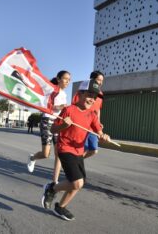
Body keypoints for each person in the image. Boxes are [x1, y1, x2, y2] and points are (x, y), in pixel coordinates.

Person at [41, 79, 110, 221]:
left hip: (78, 150)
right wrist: (63, 126)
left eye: (95, 97)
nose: (92, 99)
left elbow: (99, 131)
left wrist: (103, 136)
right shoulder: (69, 110)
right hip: (65, 148)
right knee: (77, 182)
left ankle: (60, 207)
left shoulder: (92, 114)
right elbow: (53, 129)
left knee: (79, 183)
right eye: (90, 95)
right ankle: (51, 189)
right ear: (80, 94)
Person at [27, 70, 71, 184]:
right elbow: (47, 105)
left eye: (69, 80)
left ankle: (54, 181)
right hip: (47, 120)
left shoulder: (65, 94)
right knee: (46, 154)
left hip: (58, 123)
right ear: (58, 79)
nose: (67, 82)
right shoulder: (51, 91)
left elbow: (62, 111)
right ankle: (32, 158)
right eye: (65, 79)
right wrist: (59, 107)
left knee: (58, 154)